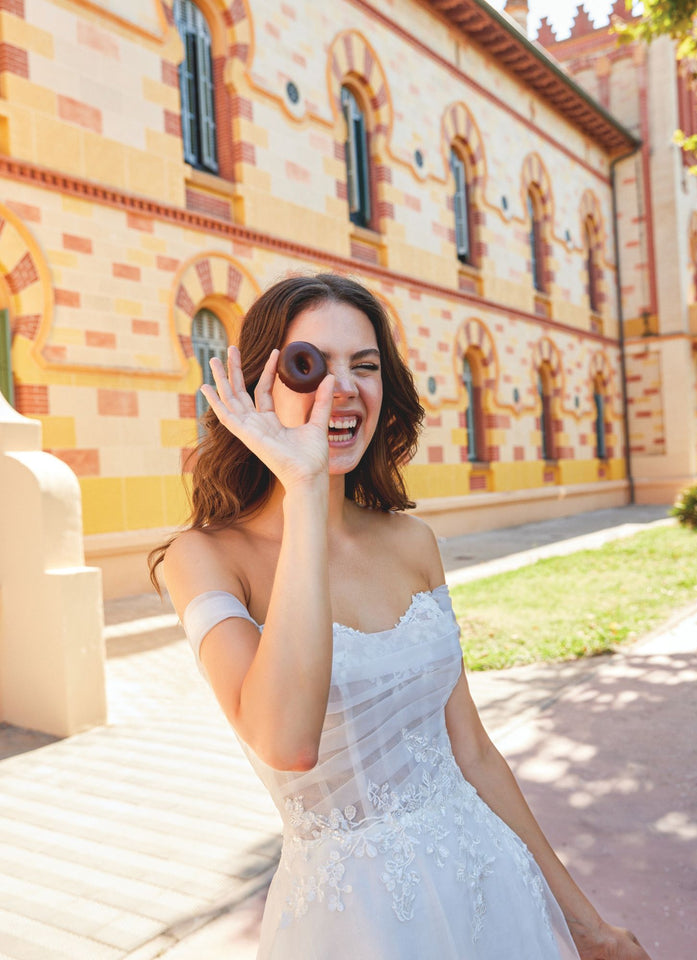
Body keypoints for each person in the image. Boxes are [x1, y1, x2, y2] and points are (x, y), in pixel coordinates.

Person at [151, 273, 651, 960]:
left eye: (364, 366)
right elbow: (285, 740)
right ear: (259, 387)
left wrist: (589, 928)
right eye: (308, 367)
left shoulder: (414, 543)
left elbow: (471, 751)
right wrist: (302, 489)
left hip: (488, 885)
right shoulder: (205, 559)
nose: (341, 389)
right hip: (357, 926)